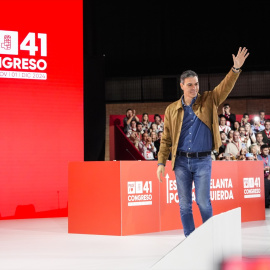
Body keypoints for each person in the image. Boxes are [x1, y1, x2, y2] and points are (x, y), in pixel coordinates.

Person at [156, 47, 249, 237]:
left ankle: (209, 238)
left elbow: (224, 86)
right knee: (184, 205)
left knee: (203, 201)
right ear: (181, 85)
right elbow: (165, 139)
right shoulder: (171, 110)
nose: (194, 88)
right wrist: (160, 163)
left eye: (196, 84)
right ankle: (190, 240)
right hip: (181, 162)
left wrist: (235, 69)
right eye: (190, 85)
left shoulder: (209, 100)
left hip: (203, 161)